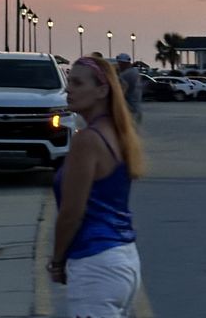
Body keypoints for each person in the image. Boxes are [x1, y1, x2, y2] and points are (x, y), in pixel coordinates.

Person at [49, 55, 144, 318]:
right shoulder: (118, 133)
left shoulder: (87, 141)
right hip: (124, 258)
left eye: (78, 83)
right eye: (69, 82)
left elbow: (71, 213)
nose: (69, 89)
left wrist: (57, 260)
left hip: (95, 265)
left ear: (102, 90)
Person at [115, 53, 142, 121]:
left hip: (129, 109)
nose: (119, 65)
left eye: (120, 63)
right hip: (135, 108)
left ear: (124, 63)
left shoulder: (126, 74)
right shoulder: (135, 71)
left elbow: (120, 90)